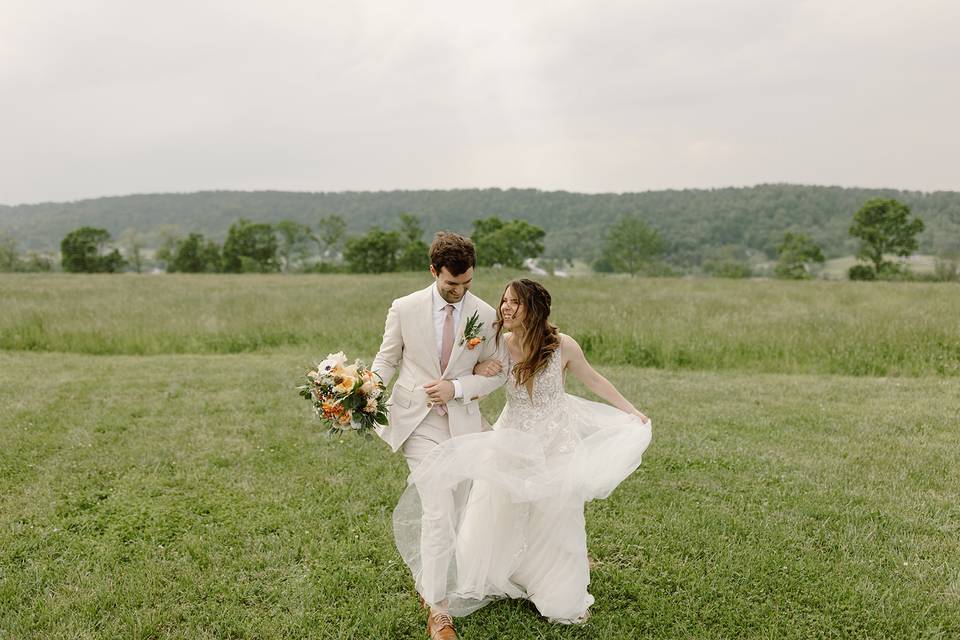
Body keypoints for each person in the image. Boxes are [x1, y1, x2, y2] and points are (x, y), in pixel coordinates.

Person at [393, 278, 652, 625]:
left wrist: (631, 410)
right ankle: (506, 571)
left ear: (535, 308)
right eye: (504, 301)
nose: (505, 308)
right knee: (500, 504)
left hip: (555, 440)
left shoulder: (562, 345)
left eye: (515, 302)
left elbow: (594, 380)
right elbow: (477, 383)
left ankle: (555, 583)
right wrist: (475, 371)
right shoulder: (500, 345)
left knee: (555, 511)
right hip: (513, 437)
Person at [371, 232, 509, 640]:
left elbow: (496, 370)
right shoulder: (405, 308)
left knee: (460, 508)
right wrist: (366, 390)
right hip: (418, 422)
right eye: (452, 284)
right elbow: (387, 357)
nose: (459, 292)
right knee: (438, 509)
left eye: (467, 283)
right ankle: (439, 611)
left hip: (463, 425)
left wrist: (460, 388)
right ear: (434, 272)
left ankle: (430, 584)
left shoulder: (485, 315)